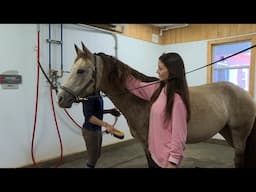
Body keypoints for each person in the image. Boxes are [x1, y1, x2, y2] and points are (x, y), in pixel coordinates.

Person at [126, 52, 191, 168]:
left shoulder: (177, 101)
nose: (157, 71)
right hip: (154, 155)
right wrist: (119, 71)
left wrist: (173, 161)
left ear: (171, 71)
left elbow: (179, 136)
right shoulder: (158, 89)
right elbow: (136, 86)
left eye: (160, 68)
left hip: (166, 162)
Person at [82, 92, 123, 168]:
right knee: (92, 159)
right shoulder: (88, 96)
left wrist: (110, 111)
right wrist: (106, 125)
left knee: (97, 155)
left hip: (97, 130)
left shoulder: (97, 94)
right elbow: (89, 117)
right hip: (90, 130)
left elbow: (96, 111)